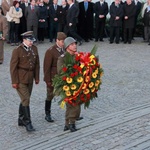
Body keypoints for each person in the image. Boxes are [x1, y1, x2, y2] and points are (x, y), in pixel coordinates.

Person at [10, 31, 40, 132]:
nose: (31, 42)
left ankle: (21, 118)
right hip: (20, 78)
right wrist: (14, 81)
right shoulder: (17, 50)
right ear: (24, 40)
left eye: (32, 40)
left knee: (25, 98)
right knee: (26, 99)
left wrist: (37, 77)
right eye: (29, 40)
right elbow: (13, 67)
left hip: (30, 77)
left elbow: (37, 64)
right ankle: (28, 122)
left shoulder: (34, 49)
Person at [57, 37, 82, 132]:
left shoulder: (77, 56)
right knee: (72, 104)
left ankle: (67, 123)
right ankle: (71, 123)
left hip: (78, 83)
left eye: (75, 44)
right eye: (72, 44)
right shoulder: (62, 58)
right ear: (67, 47)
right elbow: (60, 71)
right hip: (67, 84)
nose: (75, 46)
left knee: (72, 104)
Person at [43, 32, 67, 122]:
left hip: (64, 76)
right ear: (57, 40)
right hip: (53, 76)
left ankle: (72, 114)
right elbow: (46, 67)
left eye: (64, 41)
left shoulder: (64, 49)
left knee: (68, 95)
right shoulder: (51, 51)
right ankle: (47, 113)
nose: (63, 43)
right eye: (62, 41)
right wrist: (47, 80)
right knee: (50, 95)